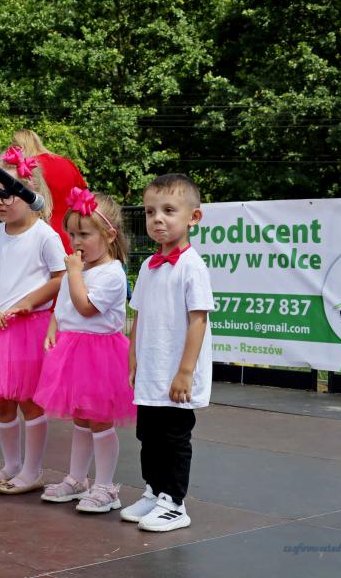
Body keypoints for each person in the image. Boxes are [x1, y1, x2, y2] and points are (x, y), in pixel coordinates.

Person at [0, 146, 66, 494]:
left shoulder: (44, 235)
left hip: (30, 330)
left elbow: (61, 277)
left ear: (29, 192)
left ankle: (32, 470)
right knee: (2, 399)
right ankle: (10, 464)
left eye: (7, 194)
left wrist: (28, 301)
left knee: (29, 400)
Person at [120, 173, 213, 532]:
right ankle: (154, 490)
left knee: (174, 438)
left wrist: (185, 372)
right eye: (150, 211)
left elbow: (198, 321)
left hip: (176, 373)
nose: (157, 219)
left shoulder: (192, 267)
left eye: (169, 210)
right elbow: (139, 316)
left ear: (193, 217)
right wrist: (133, 359)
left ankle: (174, 502)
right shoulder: (148, 266)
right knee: (148, 436)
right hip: (152, 370)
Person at [34, 188, 135, 513]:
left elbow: (86, 307)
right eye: (72, 234)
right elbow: (63, 304)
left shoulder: (112, 273)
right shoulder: (80, 269)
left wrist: (74, 273)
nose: (76, 242)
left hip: (100, 356)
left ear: (109, 235)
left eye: (85, 235)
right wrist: (54, 326)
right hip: (72, 350)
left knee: (99, 421)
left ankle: (106, 487)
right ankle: (77, 479)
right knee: (80, 418)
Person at [10, 129, 87, 253]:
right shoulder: (67, 163)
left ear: (17, 147)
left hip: (40, 237)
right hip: (72, 235)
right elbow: (85, 201)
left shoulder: (26, 169)